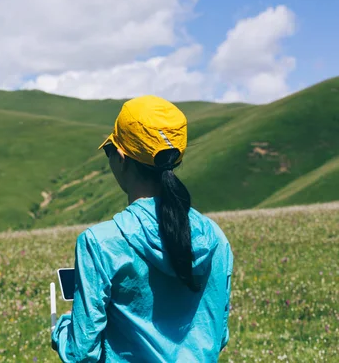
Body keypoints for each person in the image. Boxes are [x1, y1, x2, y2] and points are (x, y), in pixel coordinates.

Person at [51, 95, 234, 362]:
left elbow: (81, 353)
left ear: (121, 157)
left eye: (109, 150)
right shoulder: (216, 237)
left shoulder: (99, 243)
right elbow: (219, 335)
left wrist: (61, 330)